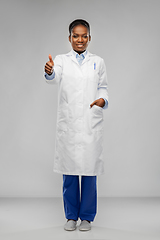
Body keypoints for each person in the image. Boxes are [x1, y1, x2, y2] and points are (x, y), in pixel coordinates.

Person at [44, 19, 108, 231]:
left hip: (90, 122)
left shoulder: (98, 61)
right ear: (70, 38)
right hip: (69, 124)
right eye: (76, 36)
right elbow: (53, 78)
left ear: (89, 38)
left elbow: (103, 87)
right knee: (69, 173)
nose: (80, 40)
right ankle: (71, 216)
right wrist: (50, 71)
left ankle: (87, 217)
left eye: (84, 36)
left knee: (89, 173)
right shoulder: (61, 60)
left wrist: (103, 100)